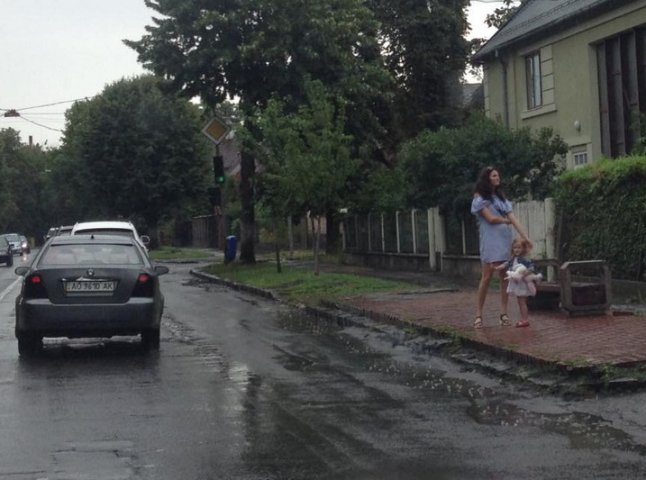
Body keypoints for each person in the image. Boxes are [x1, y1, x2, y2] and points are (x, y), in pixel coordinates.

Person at [471, 166, 532, 329]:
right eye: (494, 175)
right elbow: (490, 219)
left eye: (498, 175)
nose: (498, 178)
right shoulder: (480, 198)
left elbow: (514, 218)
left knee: (505, 276)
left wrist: (526, 238)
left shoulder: (501, 199)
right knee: (486, 277)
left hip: (504, 240)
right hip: (490, 241)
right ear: (487, 178)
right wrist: (505, 221)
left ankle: (503, 313)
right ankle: (478, 314)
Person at [495, 238, 542, 327]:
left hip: (522, 283)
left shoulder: (524, 259)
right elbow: (506, 263)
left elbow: (531, 267)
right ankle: (524, 319)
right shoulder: (513, 259)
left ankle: (525, 320)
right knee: (520, 302)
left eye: (519, 248)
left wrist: (524, 273)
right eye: (515, 248)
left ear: (523, 248)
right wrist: (498, 267)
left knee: (522, 302)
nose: (516, 250)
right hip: (517, 283)